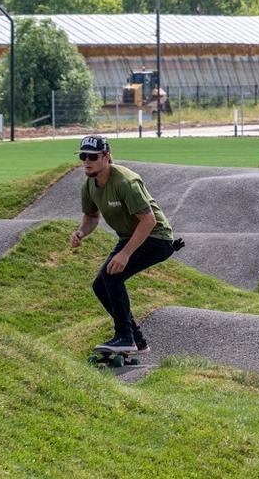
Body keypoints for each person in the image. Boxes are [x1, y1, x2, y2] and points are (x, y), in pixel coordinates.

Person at [69, 135, 184, 353]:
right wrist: (81, 232)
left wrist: (125, 254)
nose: (87, 161)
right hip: (129, 237)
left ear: (107, 157)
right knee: (100, 285)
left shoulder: (125, 182)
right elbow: (92, 218)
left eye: (92, 156)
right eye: (83, 156)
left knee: (112, 276)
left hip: (157, 237)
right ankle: (137, 341)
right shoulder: (89, 186)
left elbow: (148, 220)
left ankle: (124, 337)